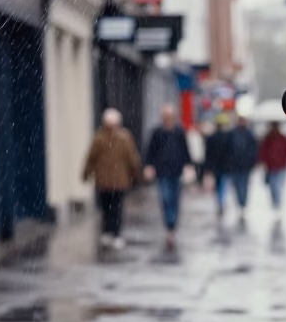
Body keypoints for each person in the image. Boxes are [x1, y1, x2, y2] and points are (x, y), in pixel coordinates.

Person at [82, 108, 142, 250]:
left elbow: (91, 158)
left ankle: (110, 232)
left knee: (109, 207)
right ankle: (113, 233)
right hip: (115, 181)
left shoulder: (102, 137)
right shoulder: (120, 137)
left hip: (108, 181)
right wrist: (136, 174)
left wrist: (86, 174)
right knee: (114, 208)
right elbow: (132, 159)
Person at [143, 105, 192, 250]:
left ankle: (172, 226)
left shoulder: (179, 132)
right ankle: (169, 223)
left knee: (175, 198)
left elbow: (185, 151)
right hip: (162, 171)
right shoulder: (157, 133)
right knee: (165, 197)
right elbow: (150, 151)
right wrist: (149, 166)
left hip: (176, 171)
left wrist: (188, 165)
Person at [258, 122, 286, 210]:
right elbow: (263, 151)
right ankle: (276, 203)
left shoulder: (283, 139)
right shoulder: (267, 138)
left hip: (281, 166)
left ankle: (277, 204)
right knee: (273, 186)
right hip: (271, 167)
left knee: (277, 186)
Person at [227, 116, 258, 216]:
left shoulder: (249, 134)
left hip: (245, 165)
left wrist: (252, 161)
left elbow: (254, 149)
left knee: (244, 185)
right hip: (235, 165)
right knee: (236, 185)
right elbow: (228, 148)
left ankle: (243, 204)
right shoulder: (233, 133)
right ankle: (240, 203)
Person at [204, 117, 232, 217]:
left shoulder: (212, 138)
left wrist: (208, 167)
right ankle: (221, 201)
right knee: (222, 185)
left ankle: (220, 201)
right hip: (223, 166)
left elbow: (208, 154)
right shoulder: (228, 137)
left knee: (219, 185)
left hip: (216, 166)